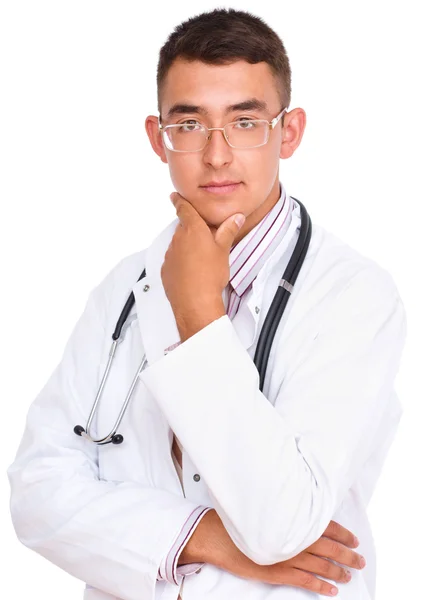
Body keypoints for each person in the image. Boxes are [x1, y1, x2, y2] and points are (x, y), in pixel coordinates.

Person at [6, 7, 407, 600]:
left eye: (245, 122)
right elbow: (36, 495)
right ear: (157, 137)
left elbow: (281, 526)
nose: (217, 156)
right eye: (190, 125)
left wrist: (197, 315)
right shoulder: (123, 288)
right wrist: (203, 535)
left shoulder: (352, 294)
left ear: (288, 132)